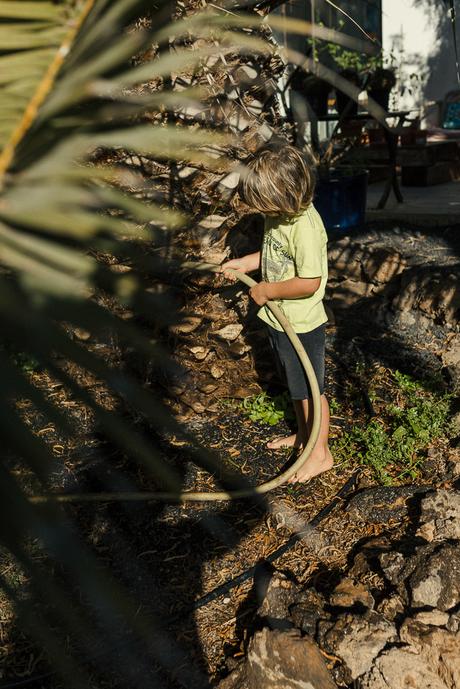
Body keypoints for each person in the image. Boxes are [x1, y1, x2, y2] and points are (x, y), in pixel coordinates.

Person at [221, 144, 332, 483]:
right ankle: (304, 436)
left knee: (313, 391)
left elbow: (309, 281)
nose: (256, 208)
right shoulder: (279, 216)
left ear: (284, 196)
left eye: (260, 202)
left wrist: (266, 290)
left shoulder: (306, 228)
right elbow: (275, 255)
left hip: (302, 322)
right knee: (296, 388)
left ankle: (320, 453)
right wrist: (247, 263)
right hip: (280, 321)